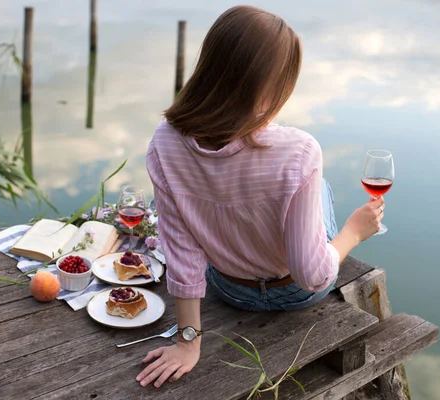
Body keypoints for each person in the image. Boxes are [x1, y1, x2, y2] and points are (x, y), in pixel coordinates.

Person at [138, 5, 385, 388]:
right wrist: (354, 231)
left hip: (228, 289)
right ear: (274, 84)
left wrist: (189, 343)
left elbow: (183, 255)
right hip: (297, 296)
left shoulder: (165, 142)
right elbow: (313, 276)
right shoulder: (299, 150)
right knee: (318, 187)